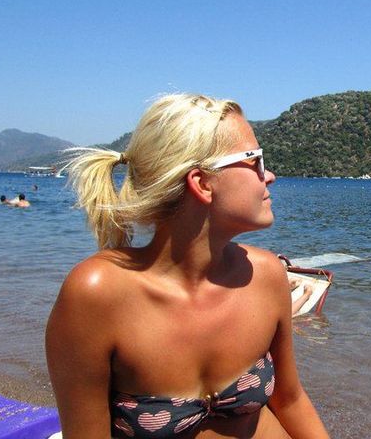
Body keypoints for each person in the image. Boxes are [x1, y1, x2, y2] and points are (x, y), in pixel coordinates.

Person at [46, 93, 329, 439]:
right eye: (255, 160)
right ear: (202, 183)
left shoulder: (266, 274)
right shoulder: (96, 295)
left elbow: (290, 400)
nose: (269, 175)